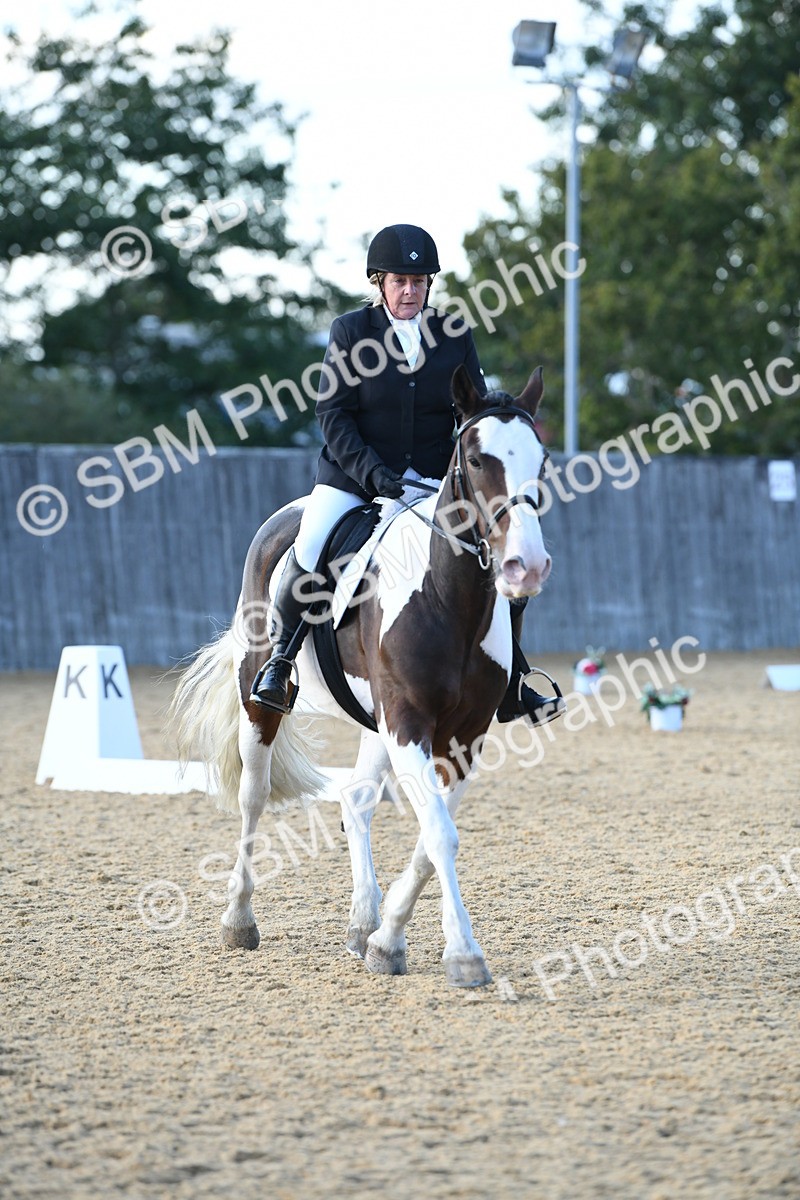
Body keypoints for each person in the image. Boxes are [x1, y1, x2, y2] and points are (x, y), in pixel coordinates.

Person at [250, 223, 564, 726]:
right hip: (356, 480)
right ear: (380, 282)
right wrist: (373, 474)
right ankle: (280, 662)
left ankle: (513, 679)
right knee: (309, 549)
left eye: (419, 281)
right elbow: (333, 414)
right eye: (400, 280)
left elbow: (474, 409)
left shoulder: (454, 334)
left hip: (435, 485)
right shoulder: (351, 332)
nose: (410, 290)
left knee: (496, 555)